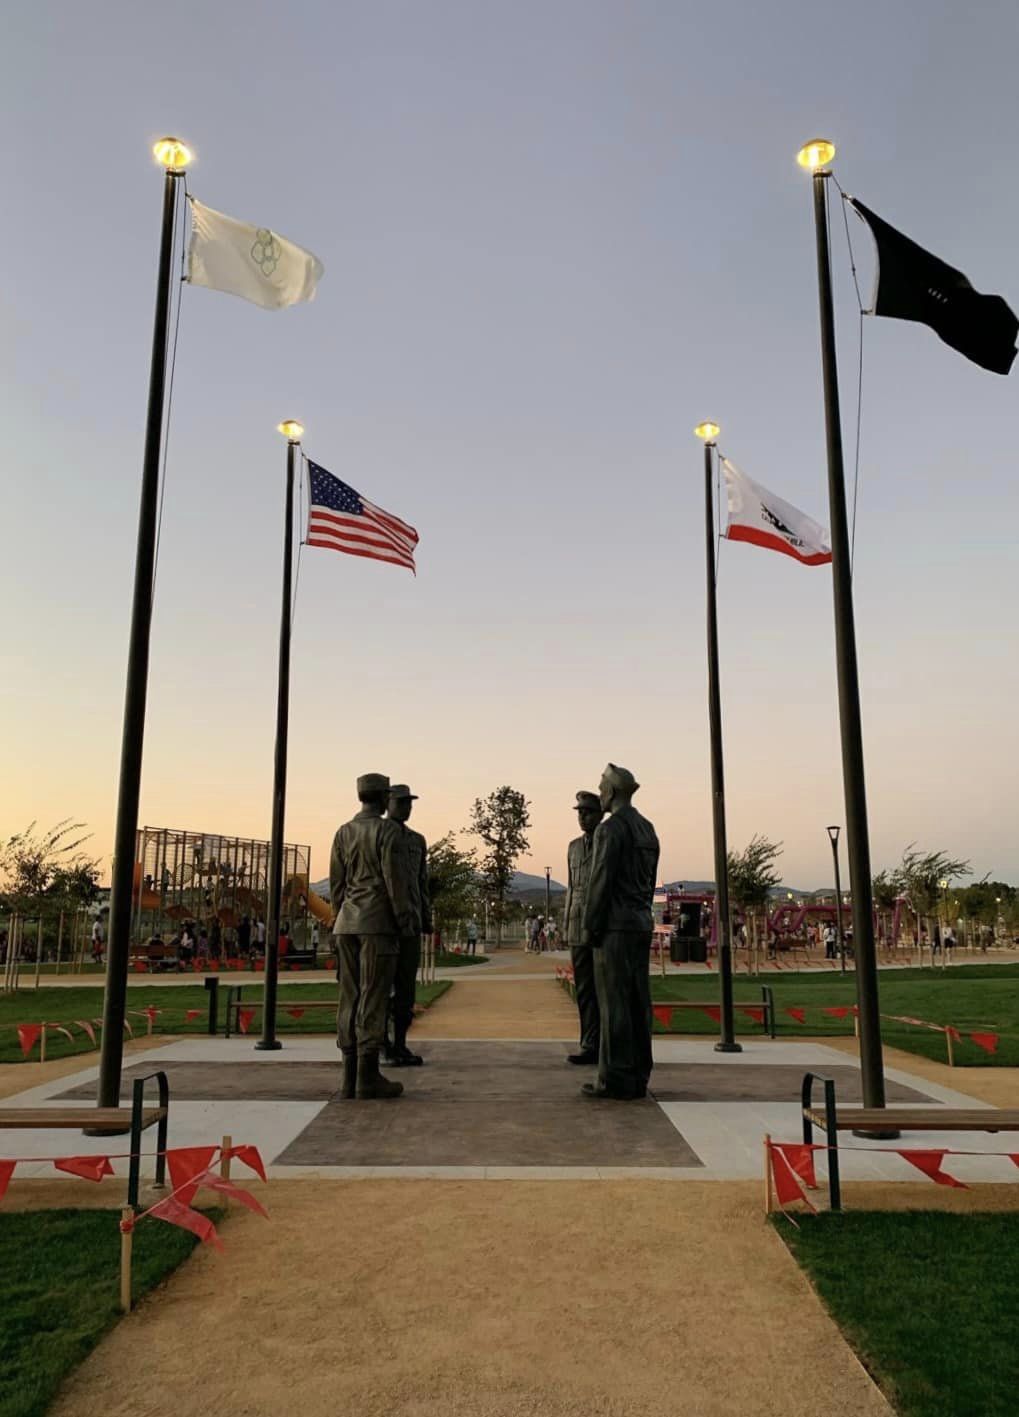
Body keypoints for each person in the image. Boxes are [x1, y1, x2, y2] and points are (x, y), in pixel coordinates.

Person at [331, 772, 414, 1099]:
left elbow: (337, 885)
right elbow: (396, 883)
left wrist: (339, 918)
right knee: (374, 996)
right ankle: (367, 1076)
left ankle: (348, 1077)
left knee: (348, 997)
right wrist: (404, 919)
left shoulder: (343, 832)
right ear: (382, 797)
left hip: (346, 923)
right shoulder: (387, 831)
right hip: (377, 924)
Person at [581, 763, 660, 1101]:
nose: (599, 794)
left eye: (601, 789)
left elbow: (600, 882)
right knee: (638, 1000)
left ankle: (613, 1078)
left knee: (613, 1002)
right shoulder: (647, 828)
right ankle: (639, 1073)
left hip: (614, 926)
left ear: (611, 792)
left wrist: (590, 926)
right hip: (640, 922)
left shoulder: (609, 829)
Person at [382, 783, 432, 1068]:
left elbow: (421, 881)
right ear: (388, 804)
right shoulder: (381, 833)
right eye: (401, 803)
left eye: (409, 803)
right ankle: (384, 1045)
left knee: (405, 990)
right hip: (387, 924)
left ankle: (400, 1043)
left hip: (410, 923)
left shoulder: (416, 840)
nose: (406, 808)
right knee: (386, 989)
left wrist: (426, 917)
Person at [564, 789, 605, 1066]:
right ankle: (588, 1043)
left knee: (604, 989)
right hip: (578, 926)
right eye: (579, 812)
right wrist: (568, 925)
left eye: (588, 812)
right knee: (584, 989)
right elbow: (570, 887)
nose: (583, 817)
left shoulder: (608, 841)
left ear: (600, 814)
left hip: (601, 925)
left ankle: (605, 1045)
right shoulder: (573, 847)